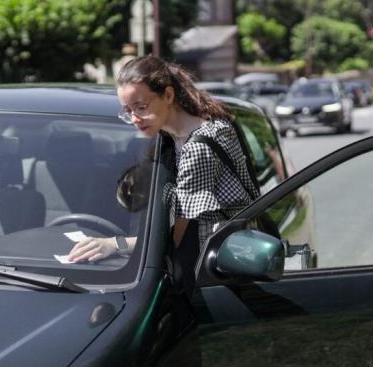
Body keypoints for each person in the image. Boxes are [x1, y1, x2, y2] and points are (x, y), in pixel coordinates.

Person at [67, 56, 259, 290]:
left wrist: (115, 245)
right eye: (128, 110)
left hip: (213, 273)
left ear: (168, 96)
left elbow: (174, 238)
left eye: (141, 107)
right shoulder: (167, 135)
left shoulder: (199, 145)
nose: (135, 118)